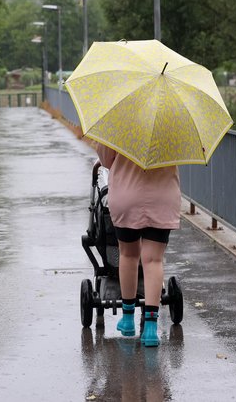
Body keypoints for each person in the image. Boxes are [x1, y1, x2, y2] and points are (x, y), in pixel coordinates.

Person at [95, 143, 181, 347]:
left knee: (128, 255)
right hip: (162, 197)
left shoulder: (119, 120)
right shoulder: (171, 120)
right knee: (153, 260)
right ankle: (151, 329)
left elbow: (106, 160)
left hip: (127, 196)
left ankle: (127, 318)